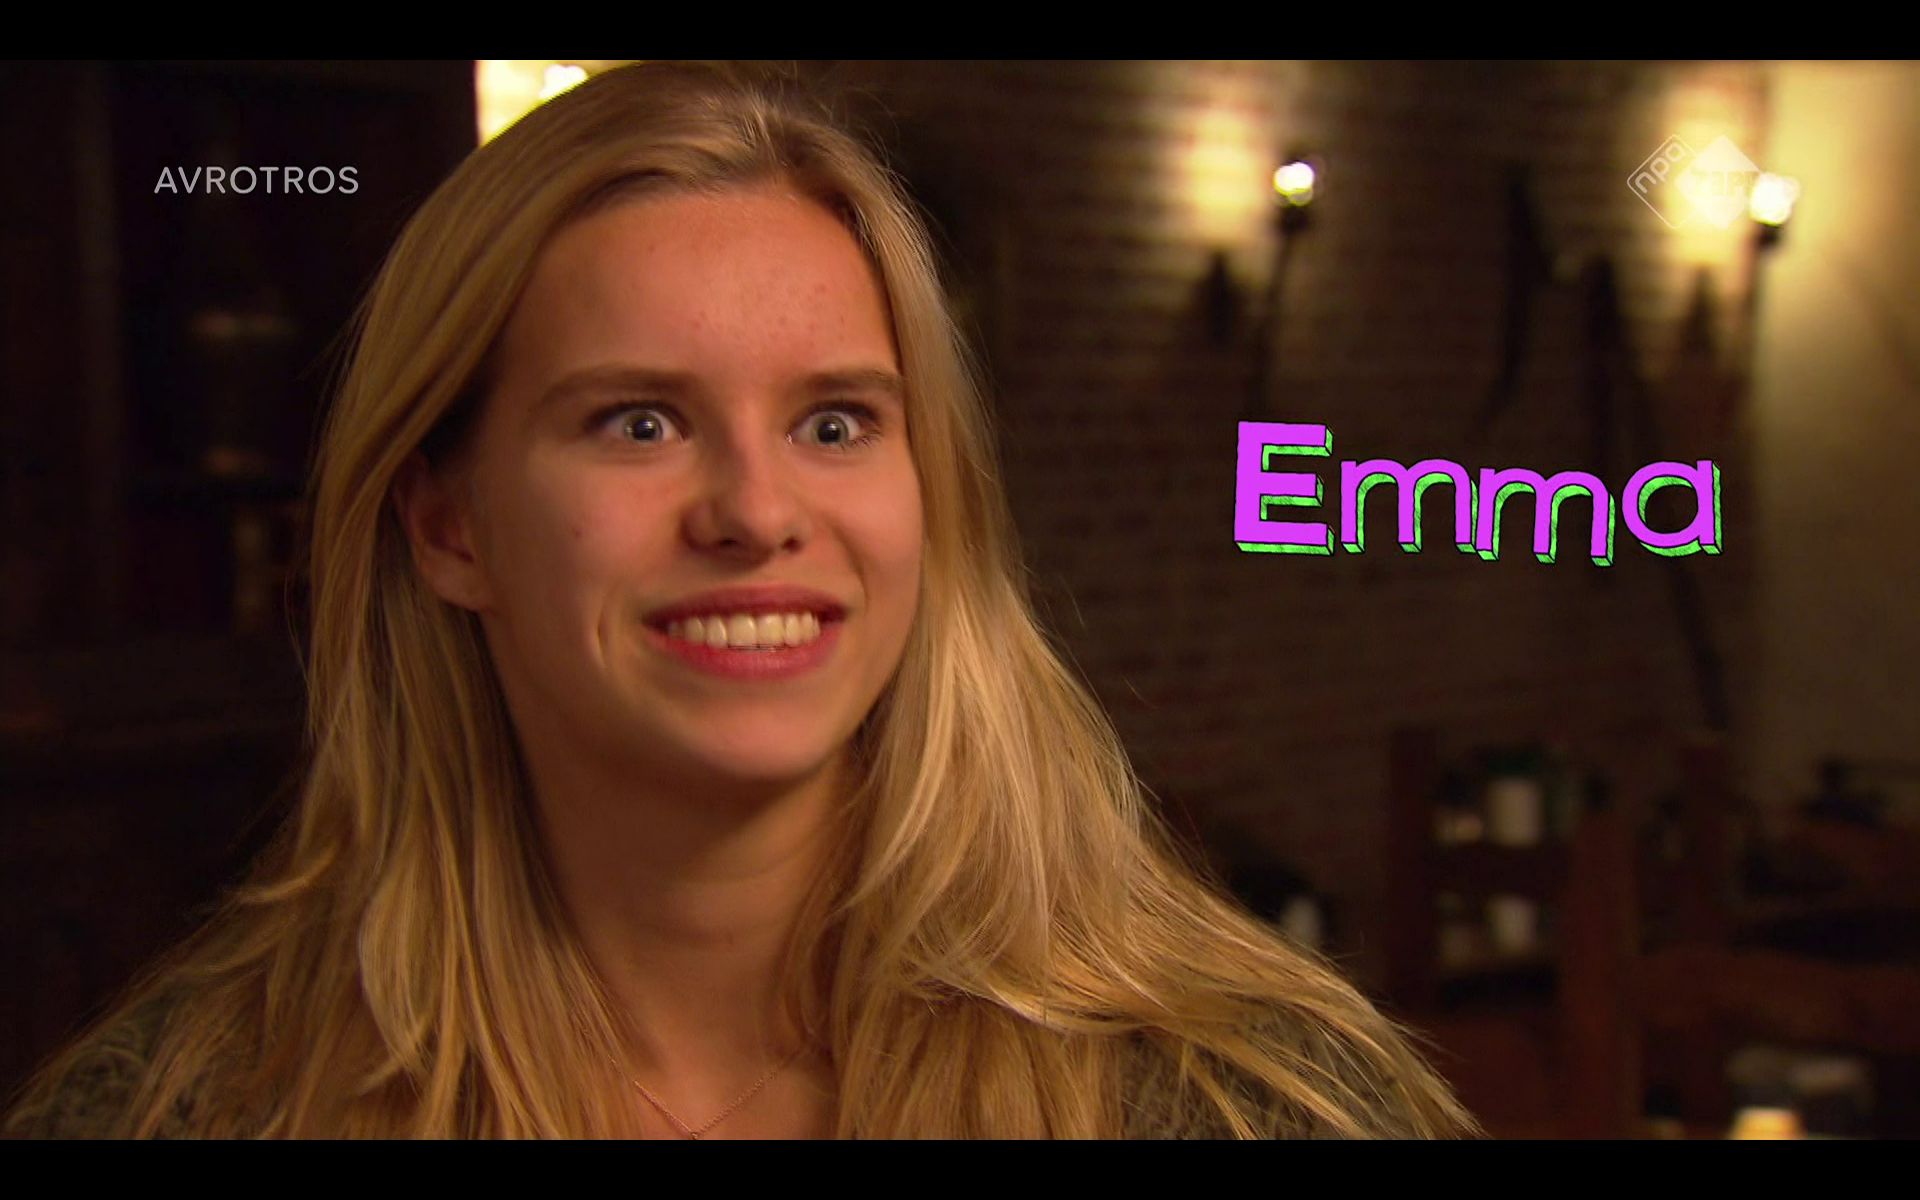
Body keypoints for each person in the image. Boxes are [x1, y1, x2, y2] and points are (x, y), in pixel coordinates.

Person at [4, 60, 1477, 1139]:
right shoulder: (189, 1107)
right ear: (449, 527)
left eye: (835, 422)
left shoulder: (1250, 1098)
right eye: (639, 422)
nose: (758, 514)